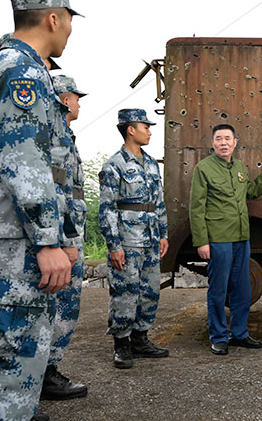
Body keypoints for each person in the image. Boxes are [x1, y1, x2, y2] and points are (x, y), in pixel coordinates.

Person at [0, 0, 80, 421]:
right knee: (13, 355)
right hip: (18, 231)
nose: (69, 29)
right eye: (68, 19)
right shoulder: (25, 71)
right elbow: (24, 159)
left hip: (7, 225)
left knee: (3, 348)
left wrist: (62, 235)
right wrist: (47, 241)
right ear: (54, 17)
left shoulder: (5, 65)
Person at [189, 124, 262, 355]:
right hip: (219, 238)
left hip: (241, 237)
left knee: (241, 289)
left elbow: (249, 192)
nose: (223, 142)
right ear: (213, 143)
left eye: (227, 138)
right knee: (219, 290)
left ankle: (240, 334)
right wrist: (202, 241)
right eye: (218, 138)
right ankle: (219, 337)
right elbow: (196, 207)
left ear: (235, 142)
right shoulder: (204, 169)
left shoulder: (239, 166)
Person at [99, 109, 170, 369]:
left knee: (149, 292)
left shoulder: (151, 163)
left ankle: (141, 339)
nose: (149, 131)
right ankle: (122, 344)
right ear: (131, 129)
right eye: (145, 126)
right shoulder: (115, 164)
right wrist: (113, 245)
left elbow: (158, 203)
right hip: (127, 241)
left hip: (151, 239)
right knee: (124, 293)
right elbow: (107, 208)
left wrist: (163, 234)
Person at [39, 75, 89, 400]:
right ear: (63, 99)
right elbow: (53, 191)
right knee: (53, 306)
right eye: (75, 97)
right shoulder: (52, 135)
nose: (79, 103)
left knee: (65, 305)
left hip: (70, 234)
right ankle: (43, 375)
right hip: (59, 235)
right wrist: (63, 239)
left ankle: (46, 371)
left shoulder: (66, 136)